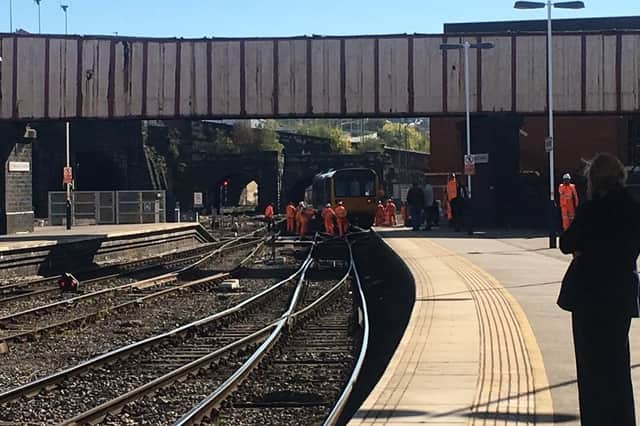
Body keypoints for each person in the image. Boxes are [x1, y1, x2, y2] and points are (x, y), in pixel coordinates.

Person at [558, 153, 640, 426]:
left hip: (589, 296)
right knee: (617, 363)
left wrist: (585, 250)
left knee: (592, 368)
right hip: (620, 294)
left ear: (594, 179)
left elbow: (567, 243)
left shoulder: (591, 209)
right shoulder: (632, 207)